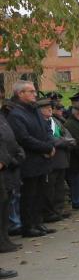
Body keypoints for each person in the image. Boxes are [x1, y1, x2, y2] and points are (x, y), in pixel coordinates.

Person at [7, 81, 56, 237]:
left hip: (43, 160)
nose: (35, 94)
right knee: (29, 196)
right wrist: (46, 148)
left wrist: (50, 145)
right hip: (30, 162)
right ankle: (28, 227)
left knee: (40, 194)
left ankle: (38, 223)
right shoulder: (16, 114)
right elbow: (24, 138)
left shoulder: (34, 110)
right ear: (20, 94)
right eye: (31, 91)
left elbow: (46, 130)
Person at [40, 99, 73, 218]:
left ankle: (59, 209)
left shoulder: (56, 121)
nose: (49, 109)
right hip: (50, 159)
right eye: (45, 108)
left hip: (62, 158)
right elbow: (50, 140)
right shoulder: (40, 123)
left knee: (60, 187)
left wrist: (65, 141)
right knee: (50, 188)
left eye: (50, 107)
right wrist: (64, 142)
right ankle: (50, 211)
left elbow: (68, 136)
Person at [0, 107, 25, 254]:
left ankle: (4, 239)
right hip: (5, 165)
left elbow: (10, 141)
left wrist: (15, 156)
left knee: (5, 206)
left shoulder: (2, 117)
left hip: (8, 165)